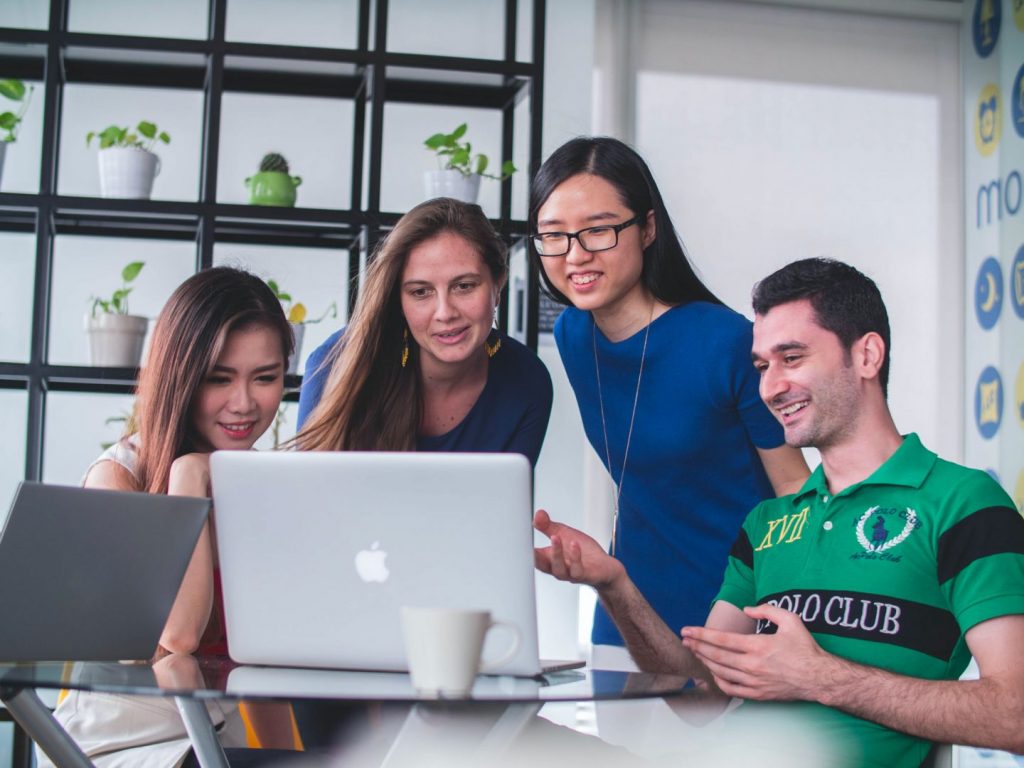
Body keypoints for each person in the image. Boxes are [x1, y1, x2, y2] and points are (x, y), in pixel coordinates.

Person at [535, 258, 1024, 767]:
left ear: (867, 355)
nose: (770, 388)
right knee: (510, 741)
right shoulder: (767, 523)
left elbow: (1015, 714)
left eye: (792, 358)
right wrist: (614, 584)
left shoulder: (962, 503)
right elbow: (702, 697)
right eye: (763, 367)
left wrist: (819, 676)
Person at [529, 137, 809, 663]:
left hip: (735, 616)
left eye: (599, 230)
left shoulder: (725, 342)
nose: (576, 255)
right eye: (554, 236)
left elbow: (794, 490)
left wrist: (781, 615)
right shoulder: (573, 334)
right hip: (626, 614)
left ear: (648, 227)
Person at [42, 267, 299, 768]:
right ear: (180, 377)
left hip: (215, 746)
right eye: (218, 379)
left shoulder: (255, 487)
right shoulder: (117, 478)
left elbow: (262, 672)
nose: (244, 403)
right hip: (122, 748)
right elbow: (178, 637)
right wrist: (188, 475)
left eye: (265, 378)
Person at [295, 197, 552, 466]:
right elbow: (308, 498)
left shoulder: (527, 382)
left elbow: (506, 504)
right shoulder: (336, 363)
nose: (445, 312)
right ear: (399, 300)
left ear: (497, 284)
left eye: (464, 286)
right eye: (420, 292)